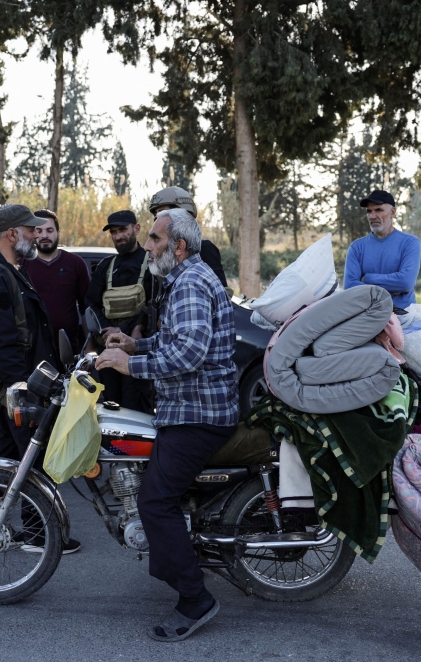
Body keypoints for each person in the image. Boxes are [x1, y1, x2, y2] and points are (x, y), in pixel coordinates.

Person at [97, 208, 238, 642]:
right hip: (190, 407)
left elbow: (188, 355)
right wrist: (135, 344)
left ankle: (196, 599)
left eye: (155, 239)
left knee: (155, 501)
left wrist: (129, 365)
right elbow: (177, 338)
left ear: (177, 246)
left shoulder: (190, 283)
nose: (148, 246)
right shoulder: (186, 278)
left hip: (198, 413)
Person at [0, 203, 81, 554]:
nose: (36, 235)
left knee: (3, 459)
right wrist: (23, 391)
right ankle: (37, 536)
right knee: (33, 460)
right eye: (31, 229)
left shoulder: (9, 269)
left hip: (10, 387)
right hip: (14, 388)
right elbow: (0, 341)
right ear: (12, 234)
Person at [85, 209, 157, 413]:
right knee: (110, 407)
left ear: (136, 229)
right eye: (114, 232)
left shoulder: (152, 264)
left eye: (123, 230)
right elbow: (90, 302)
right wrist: (106, 329)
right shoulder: (106, 266)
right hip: (108, 351)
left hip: (139, 354)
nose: (118, 236)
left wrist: (125, 329)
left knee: (136, 409)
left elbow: (154, 304)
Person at [21, 209, 90, 353]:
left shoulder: (76, 264)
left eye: (50, 230)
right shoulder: (21, 265)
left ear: (58, 233)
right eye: (39, 230)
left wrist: (90, 347)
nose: (44, 235)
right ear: (33, 234)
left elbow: (86, 309)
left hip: (69, 350)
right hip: (32, 350)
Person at [342, 189, 421, 310]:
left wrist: (367, 278)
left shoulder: (410, 243)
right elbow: (350, 286)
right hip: (367, 313)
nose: (372, 216)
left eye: (378, 210)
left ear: (392, 212)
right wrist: (392, 287)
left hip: (404, 313)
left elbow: (405, 282)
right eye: (369, 211)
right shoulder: (357, 247)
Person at [148, 186, 228, 288]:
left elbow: (219, 290)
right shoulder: (157, 252)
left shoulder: (204, 249)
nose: (157, 218)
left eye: (161, 212)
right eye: (155, 215)